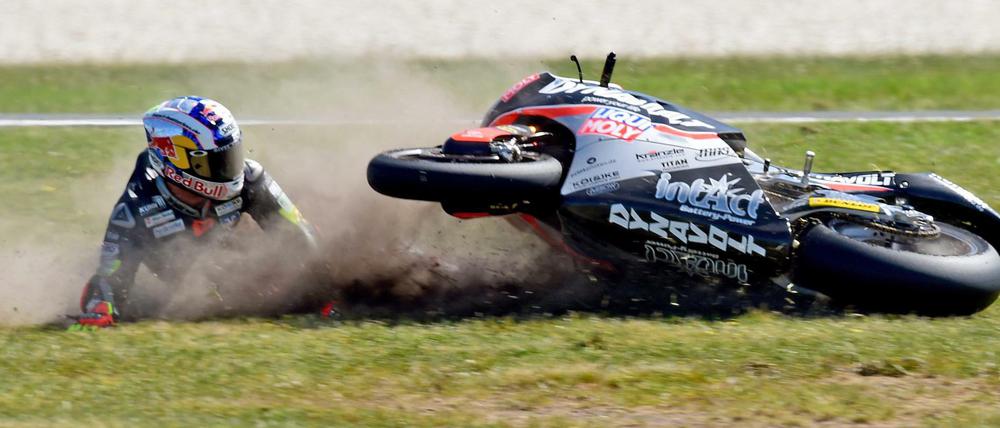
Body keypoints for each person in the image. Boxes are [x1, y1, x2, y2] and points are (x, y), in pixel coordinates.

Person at [72, 96, 321, 329]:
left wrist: (326, 290)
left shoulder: (251, 180)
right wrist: (101, 312)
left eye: (230, 156)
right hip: (186, 286)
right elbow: (107, 283)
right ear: (174, 158)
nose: (230, 168)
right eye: (214, 161)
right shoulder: (134, 209)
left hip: (237, 262)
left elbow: (301, 239)